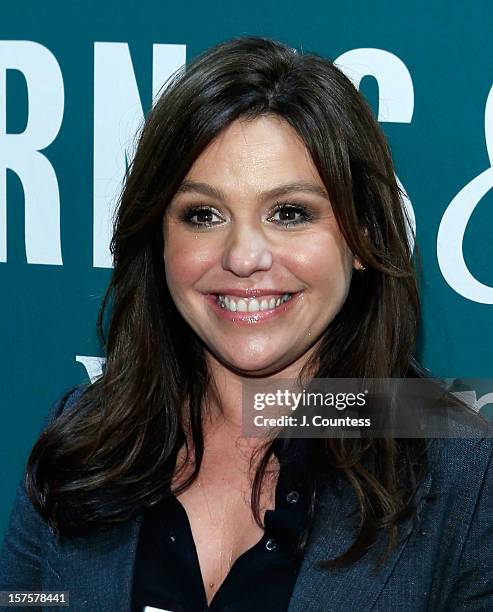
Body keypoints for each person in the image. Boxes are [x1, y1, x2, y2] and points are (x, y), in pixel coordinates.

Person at [1, 35, 492, 612]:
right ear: (159, 240)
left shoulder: (466, 468)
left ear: (363, 239)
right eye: (203, 214)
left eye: (289, 213)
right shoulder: (86, 438)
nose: (242, 256)